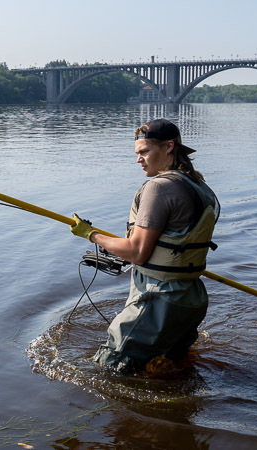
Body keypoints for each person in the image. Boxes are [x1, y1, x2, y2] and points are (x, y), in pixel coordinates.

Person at [70, 118, 220, 374]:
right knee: (172, 368)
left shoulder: (159, 188)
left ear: (169, 146)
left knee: (110, 367)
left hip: (159, 298)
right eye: (138, 153)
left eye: (144, 152)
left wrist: (90, 234)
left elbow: (137, 252)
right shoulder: (199, 185)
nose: (139, 159)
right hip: (190, 298)